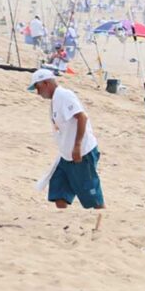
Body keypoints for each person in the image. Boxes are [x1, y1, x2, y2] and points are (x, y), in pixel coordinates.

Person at [28, 69, 105, 209]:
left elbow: (82, 117)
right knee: (59, 192)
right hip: (65, 155)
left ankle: (103, 223)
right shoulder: (55, 100)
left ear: (46, 83)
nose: (38, 93)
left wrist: (77, 146)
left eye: (38, 88)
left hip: (82, 153)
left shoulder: (64, 95)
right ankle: (63, 224)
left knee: (93, 196)